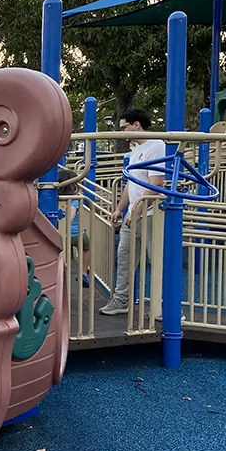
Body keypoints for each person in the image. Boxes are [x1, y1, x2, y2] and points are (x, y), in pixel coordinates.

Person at [99, 108, 165, 317]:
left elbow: (156, 184)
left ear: (137, 125)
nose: (122, 132)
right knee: (125, 256)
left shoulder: (156, 146)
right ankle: (121, 300)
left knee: (156, 260)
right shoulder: (135, 151)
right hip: (133, 214)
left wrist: (136, 210)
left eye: (124, 127)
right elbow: (130, 184)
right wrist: (120, 208)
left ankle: (161, 307)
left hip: (150, 214)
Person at [59, 168, 91, 287]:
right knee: (86, 247)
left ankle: (63, 273)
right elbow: (72, 213)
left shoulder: (55, 198)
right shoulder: (74, 199)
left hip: (61, 233)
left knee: (65, 253)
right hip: (75, 234)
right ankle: (83, 272)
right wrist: (68, 221)